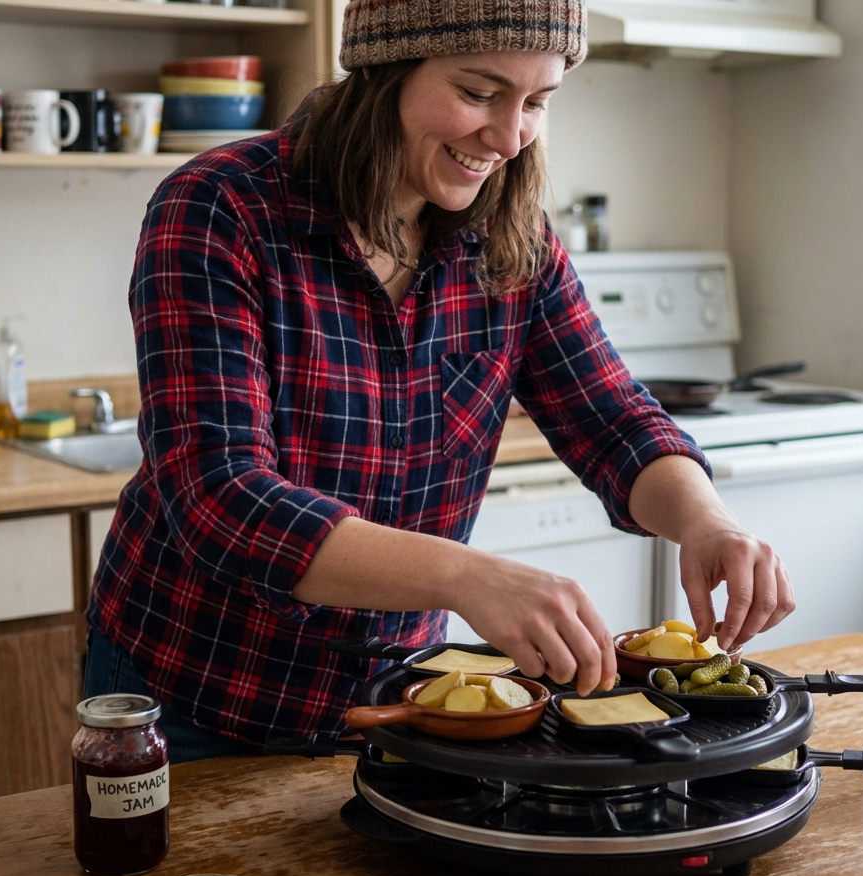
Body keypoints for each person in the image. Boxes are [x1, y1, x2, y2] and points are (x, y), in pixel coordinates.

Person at [85, 0, 794, 763]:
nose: (509, 135)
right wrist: (466, 577)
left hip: (408, 696)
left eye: (536, 103)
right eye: (480, 93)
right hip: (202, 696)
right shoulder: (220, 207)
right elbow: (217, 494)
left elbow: (614, 418)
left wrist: (706, 520)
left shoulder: (511, 241)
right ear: (385, 70)